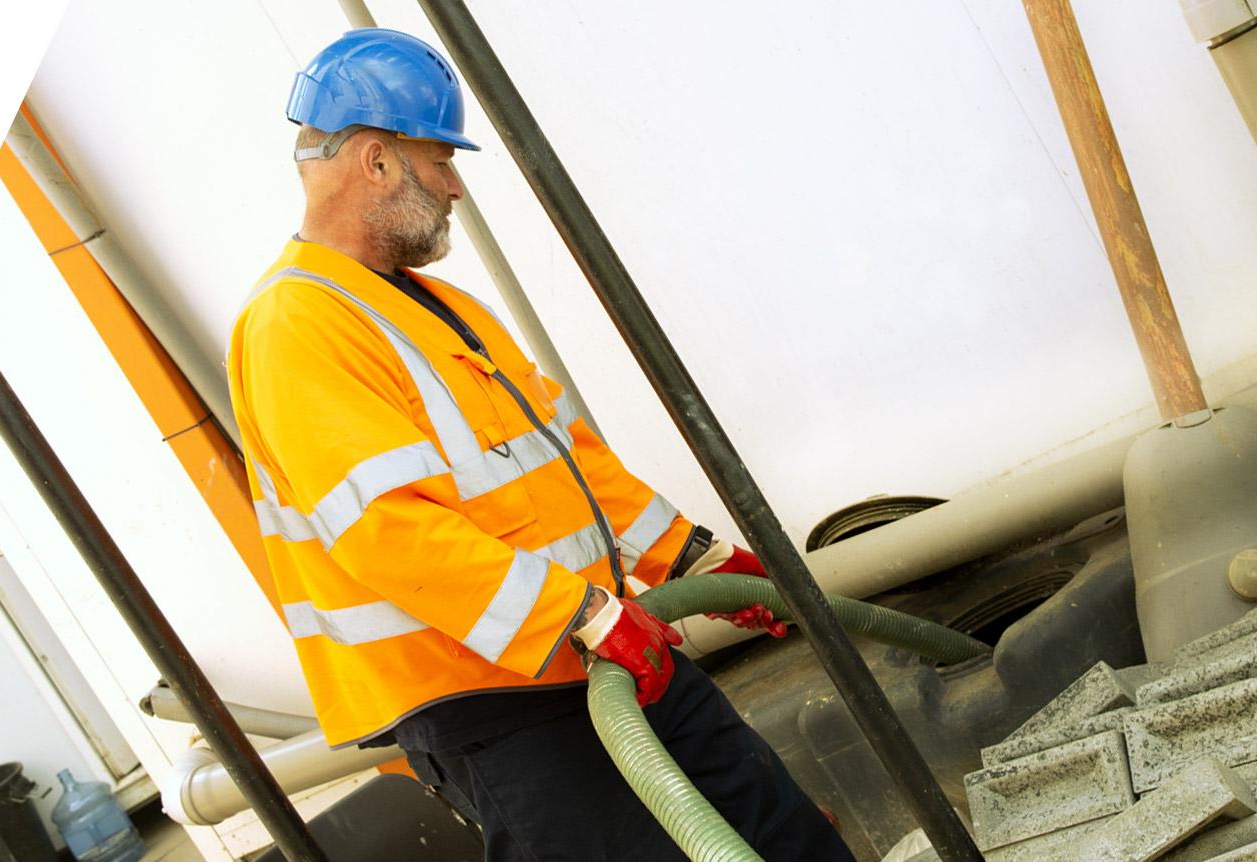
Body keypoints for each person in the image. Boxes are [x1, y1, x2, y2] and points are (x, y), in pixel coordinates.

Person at [226, 28, 853, 861]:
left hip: (605, 652)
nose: (455, 186)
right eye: (440, 160)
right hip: (497, 705)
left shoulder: (439, 309)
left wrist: (690, 561)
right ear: (375, 162)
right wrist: (582, 614)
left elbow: (566, 467)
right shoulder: (295, 325)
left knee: (780, 833)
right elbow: (387, 528)